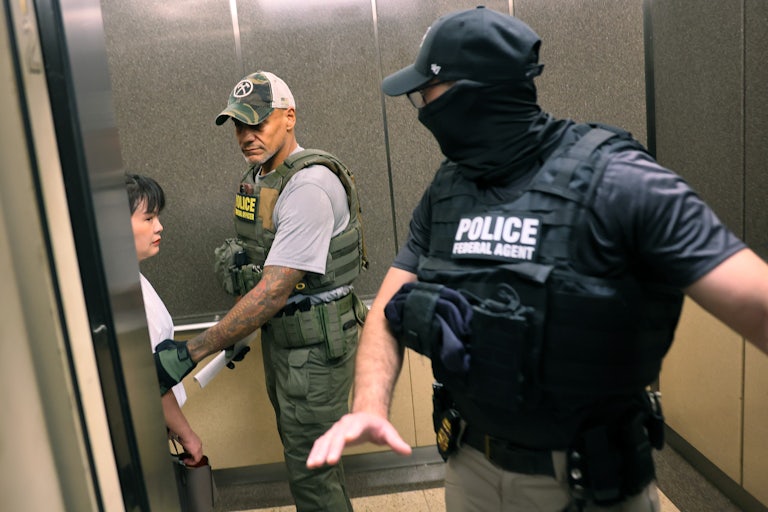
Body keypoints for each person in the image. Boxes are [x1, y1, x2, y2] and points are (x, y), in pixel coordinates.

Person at [305, 6, 768, 512]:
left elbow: (756, 301)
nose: (421, 108)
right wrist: (370, 404)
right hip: (470, 465)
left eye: (426, 94)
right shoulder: (447, 190)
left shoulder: (619, 180)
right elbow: (389, 311)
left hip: (586, 481)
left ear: (468, 96)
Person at [153, 71, 368, 511]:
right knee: (303, 457)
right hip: (287, 341)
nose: (247, 136)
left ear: (289, 118)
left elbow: (272, 292)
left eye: (259, 123)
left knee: (313, 471)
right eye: (239, 125)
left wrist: (190, 352)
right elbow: (260, 269)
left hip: (315, 348)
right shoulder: (261, 176)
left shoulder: (308, 187)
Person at [126, 173, 204, 465]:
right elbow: (149, 377)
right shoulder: (123, 296)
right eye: (148, 218)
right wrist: (188, 436)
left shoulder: (131, 279)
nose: (159, 226)